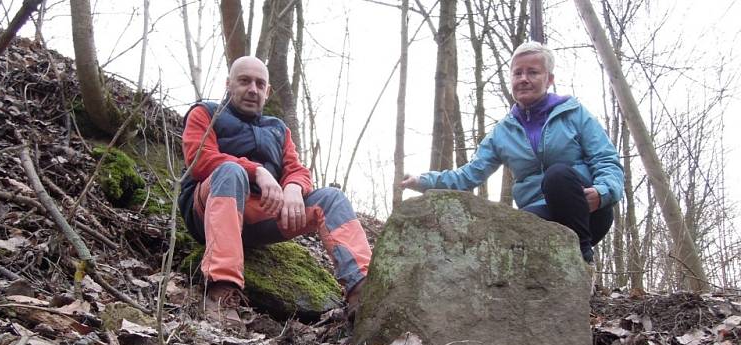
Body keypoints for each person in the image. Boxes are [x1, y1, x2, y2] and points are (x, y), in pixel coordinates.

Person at [179, 56, 370, 319]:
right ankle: (222, 290)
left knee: (331, 198)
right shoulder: (206, 113)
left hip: (263, 217)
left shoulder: (278, 129)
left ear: (268, 92)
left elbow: (297, 169)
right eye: (244, 81)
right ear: (228, 84)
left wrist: (293, 187)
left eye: (260, 84)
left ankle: (362, 290)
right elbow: (199, 159)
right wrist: (256, 171)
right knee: (230, 171)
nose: (252, 89)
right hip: (210, 209)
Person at [402, 41, 624, 264]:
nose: (524, 79)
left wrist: (603, 192)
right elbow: (469, 175)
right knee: (505, 230)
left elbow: (606, 159)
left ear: (549, 79)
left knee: (557, 176)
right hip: (539, 217)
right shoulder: (502, 133)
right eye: (517, 73)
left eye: (533, 72)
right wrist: (422, 181)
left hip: (586, 211)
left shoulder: (574, 114)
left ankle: (584, 263)